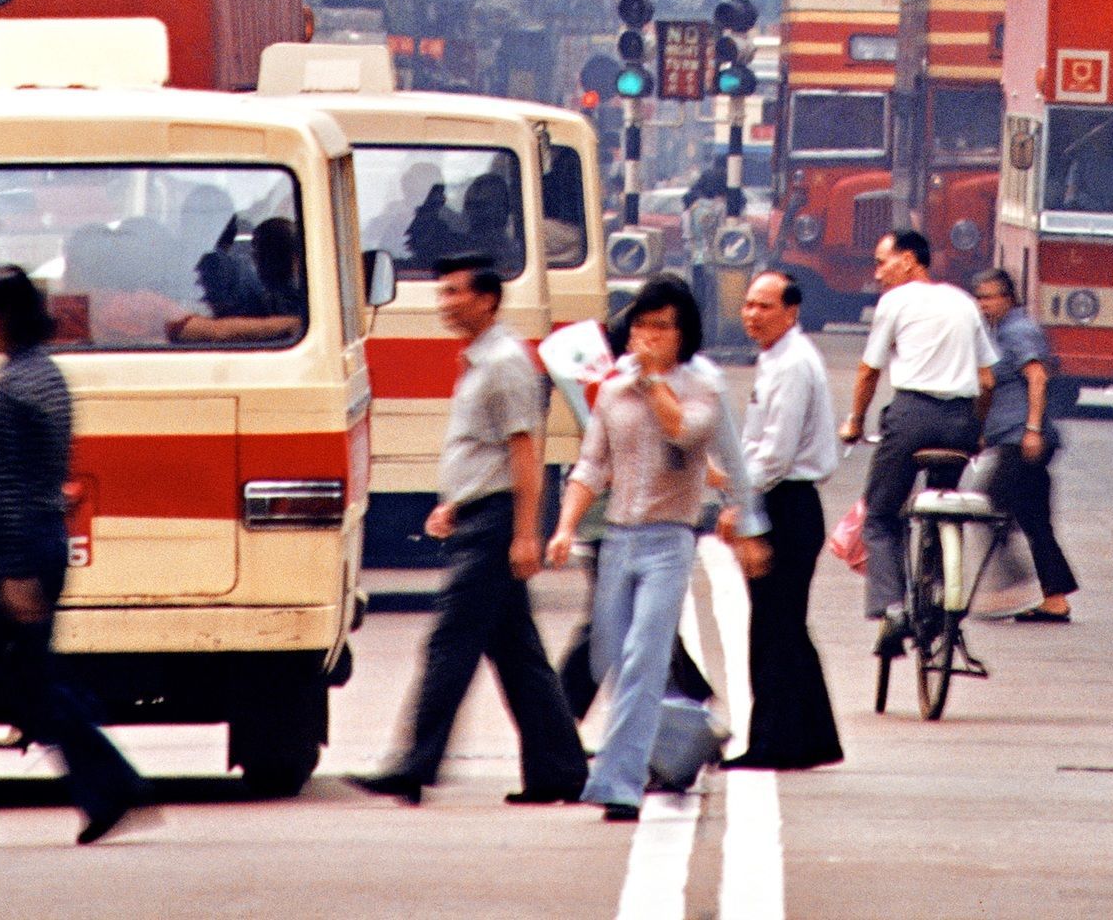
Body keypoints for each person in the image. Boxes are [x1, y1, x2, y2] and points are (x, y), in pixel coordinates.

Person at [0, 270, 149, 850]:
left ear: (3, 319)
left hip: (9, 547)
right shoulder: (47, 376)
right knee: (26, 681)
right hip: (37, 539)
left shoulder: (14, 386)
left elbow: (11, 482)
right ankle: (110, 784)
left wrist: (11, 568)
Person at [357, 260, 587, 806]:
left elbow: (524, 452)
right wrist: (453, 505)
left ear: (487, 300)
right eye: (442, 291)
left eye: (455, 292)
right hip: (479, 516)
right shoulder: (480, 360)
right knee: (518, 655)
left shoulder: (505, 362)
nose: (445, 301)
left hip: (497, 524)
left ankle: (413, 764)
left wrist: (525, 533)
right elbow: (481, 451)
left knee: (450, 643)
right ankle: (560, 771)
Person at [546, 275, 719, 823]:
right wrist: (565, 525)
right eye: (642, 325)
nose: (648, 336)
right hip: (617, 537)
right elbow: (593, 464)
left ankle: (617, 784)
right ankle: (687, 734)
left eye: (662, 328)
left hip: (669, 540)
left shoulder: (701, 389)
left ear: (683, 335)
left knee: (645, 656)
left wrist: (651, 383)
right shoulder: (613, 393)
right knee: (616, 660)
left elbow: (685, 434)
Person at [841, 229, 993, 654]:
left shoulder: (894, 302)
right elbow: (987, 380)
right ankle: (943, 592)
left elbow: (869, 371)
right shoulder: (964, 302)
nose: (877, 272)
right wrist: (977, 431)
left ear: (909, 260)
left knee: (881, 514)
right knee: (944, 501)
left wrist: (854, 421)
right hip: (960, 421)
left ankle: (892, 607)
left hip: (911, 418)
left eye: (882, 261)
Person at [724, 270, 842, 770]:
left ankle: (774, 741)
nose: (752, 315)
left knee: (774, 627)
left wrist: (740, 502)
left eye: (765, 306)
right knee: (786, 626)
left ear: (791, 312)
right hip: (779, 498)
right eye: (749, 305)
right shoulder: (776, 358)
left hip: (785, 504)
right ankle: (813, 738)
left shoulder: (793, 364)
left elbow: (774, 456)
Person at [973, 268, 1075, 623]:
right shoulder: (999, 332)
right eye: (979, 297)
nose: (983, 304)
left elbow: (1037, 378)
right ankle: (1055, 599)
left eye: (990, 297)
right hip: (1013, 437)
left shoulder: (1019, 330)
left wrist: (1032, 429)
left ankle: (1013, 581)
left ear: (1009, 298)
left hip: (1024, 440)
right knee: (1035, 521)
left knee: (989, 503)